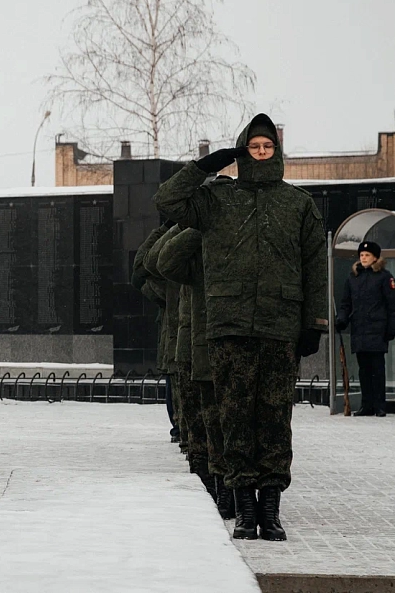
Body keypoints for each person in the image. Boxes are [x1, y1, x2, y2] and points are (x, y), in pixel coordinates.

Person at [154, 113, 328, 542]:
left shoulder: (297, 204)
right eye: (255, 146)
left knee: (274, 418)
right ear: (243, 150)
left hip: (279, 326)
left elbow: (314, 268)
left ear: (277, 152)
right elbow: (168, 202)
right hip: (228, 326)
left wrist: (314, 324)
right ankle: (244, 510)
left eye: (268, 146)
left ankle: (271, 509)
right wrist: (205, 167)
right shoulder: (217, 199)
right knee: (234, 416)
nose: (262, 152)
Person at [157, 222, 234, 519]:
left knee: (234, 424)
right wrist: (192, 223)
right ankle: (211, 490)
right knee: (204, 424)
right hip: (196, 343)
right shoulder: (194, 243)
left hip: (236, 338)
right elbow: (156, 263)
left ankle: (237, 493)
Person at [335, 241, 395, 417]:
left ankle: (379, 405)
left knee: (377, 368)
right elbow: (345, 303)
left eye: (367, 255)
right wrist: (341, 319)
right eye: (362, 255)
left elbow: (393, 305)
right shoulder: (353, 278)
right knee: (363, 369)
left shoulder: (384, 277)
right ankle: (367, 405)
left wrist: (391, 329)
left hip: (377, 329)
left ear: (375, 258)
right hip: (360, 329)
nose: (363, 258)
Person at [132, 224, 179, 442]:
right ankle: (182, 429)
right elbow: (142, 268)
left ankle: (182, 429)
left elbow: (142, 268)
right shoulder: (168, 280)